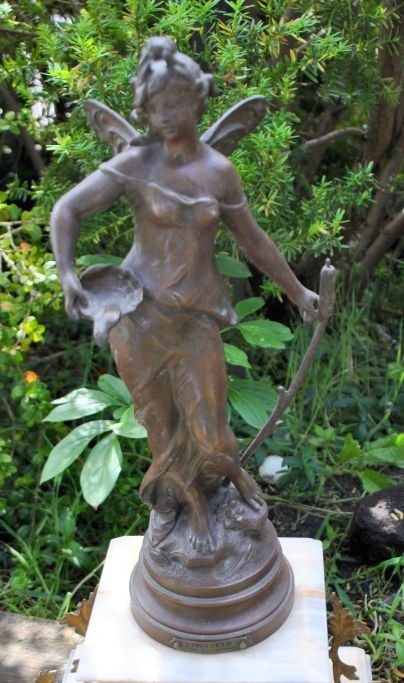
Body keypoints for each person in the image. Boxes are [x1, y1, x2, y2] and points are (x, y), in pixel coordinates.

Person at [51, 37, 319, 555]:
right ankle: (183, 504)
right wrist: (67, 273)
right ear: (144, 111)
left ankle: (229, 487)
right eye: (157, 106)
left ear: (198, 98)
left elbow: (253, 240)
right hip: (139, 316)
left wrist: (298, 291)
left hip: (195, 317)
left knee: (210, 428)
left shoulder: (219, 171)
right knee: (160, 424)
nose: (168, 114)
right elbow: (68, 209)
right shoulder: (137, 164)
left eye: (176, 102)